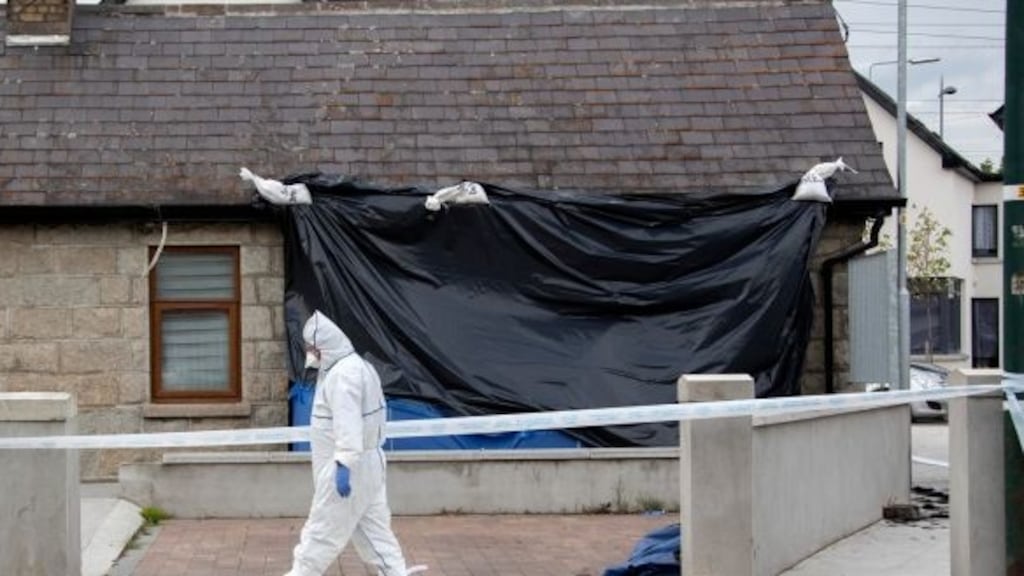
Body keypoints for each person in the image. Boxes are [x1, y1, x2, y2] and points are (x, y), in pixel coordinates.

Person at [285, 310, 411, 576]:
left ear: (324, 346)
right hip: (368, 466)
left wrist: (344, 465)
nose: (310, 353)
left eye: (311, 348)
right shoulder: (356, 367)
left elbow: (348, 424)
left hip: (347, 469)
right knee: (375, 534)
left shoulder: (343, 375)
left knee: (320, 534)